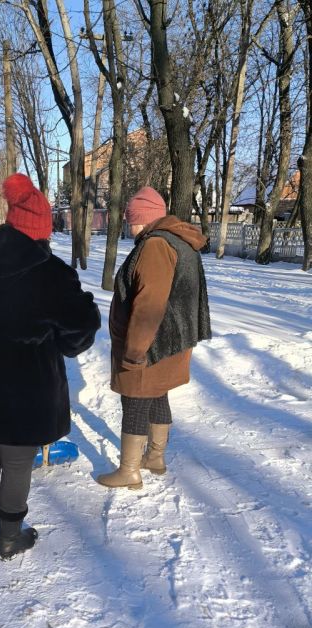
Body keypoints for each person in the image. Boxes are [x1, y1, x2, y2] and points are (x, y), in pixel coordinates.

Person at [0, 173, 101, 560]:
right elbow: (78, 335)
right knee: (16, 461)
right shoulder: (52, 274)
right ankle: (9, 538)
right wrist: (85, 311)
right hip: (25, 386)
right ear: (43, 229)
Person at [96, 186, 211, 490]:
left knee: (134, 401)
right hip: (172, 342)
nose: (128, 225)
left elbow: (150, 303)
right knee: (158, 394)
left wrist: (134, 352)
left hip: (151, 343)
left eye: (131, 219)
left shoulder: (155, 246)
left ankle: (129, 471)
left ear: (144, 218)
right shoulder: (180, 242)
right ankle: (155, 458)